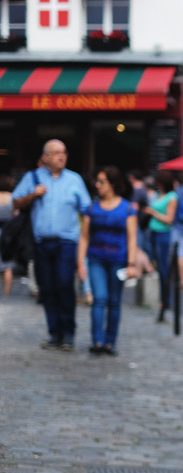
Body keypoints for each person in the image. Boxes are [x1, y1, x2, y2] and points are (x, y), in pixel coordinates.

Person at [12, 140, 91, 350]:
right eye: (56, 153)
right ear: (45, 157)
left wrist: (86, 241)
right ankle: (54, 333)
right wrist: (33, 195)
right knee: (47, 288)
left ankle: (68, 334)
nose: (61, 156)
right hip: (41, 243)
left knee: (64, 285)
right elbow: (15, 202)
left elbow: (87, 210)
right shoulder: (33, 178)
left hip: (67, 242)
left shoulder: (74, 180)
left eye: (63, 152)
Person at [77, 166, 137, 355]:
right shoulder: (92, 208)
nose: (97, 185)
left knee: (114, 301)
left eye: (101, 181)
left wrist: (132, 264)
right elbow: (84, 236)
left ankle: (110, 341)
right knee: (99, 299)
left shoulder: (127, 208)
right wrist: (80, 262)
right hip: (96, 259)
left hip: (118, 260)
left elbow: (132, 238)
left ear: (111, 184)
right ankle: (98, 341)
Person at [144, 171, 177, 322]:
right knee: (156, 265)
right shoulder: (158, 194)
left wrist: (153, 212)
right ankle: (161, 298)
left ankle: (165, 299)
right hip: (153, 233)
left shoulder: (172, 197)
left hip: (163, 234)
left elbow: (169, 219)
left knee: (163, 268)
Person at [0, 175, 16, 296]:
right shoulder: (12, 198)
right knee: (8, 265)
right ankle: (7, 292)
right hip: (8, 233)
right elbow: (16, 215)